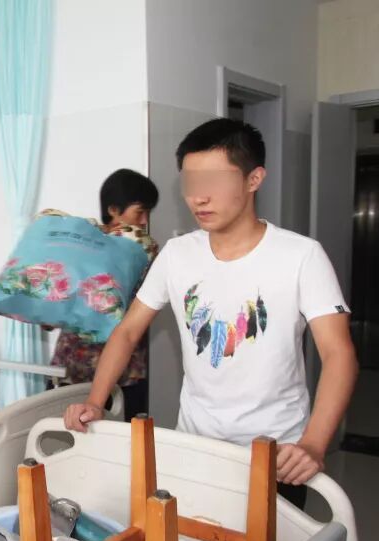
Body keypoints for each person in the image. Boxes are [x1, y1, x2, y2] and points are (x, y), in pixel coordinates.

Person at [64, 119, 358, 507]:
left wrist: (314, 444)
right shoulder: (177, 254)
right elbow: (129, 330)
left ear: (254, 179)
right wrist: (96, 400)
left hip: (277, 453)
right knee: (193, 540)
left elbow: (338, 354)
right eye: (190, 183)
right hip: (196, 444)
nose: (198, 197)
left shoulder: (301, 256)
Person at [47, 169, 160, 419]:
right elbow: (58, 302)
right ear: (113, 210)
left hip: (125, 372)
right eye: (139, 212)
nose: (144, 221)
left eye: (148, 213)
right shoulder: (80, 245)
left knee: (124, 441)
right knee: (66, 438)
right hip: (75, 367)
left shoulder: (144, 251)